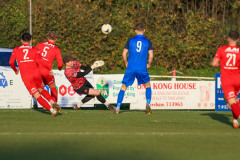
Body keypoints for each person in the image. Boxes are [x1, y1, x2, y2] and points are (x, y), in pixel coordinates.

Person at [9, 33, 61, 116]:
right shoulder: (34, 49)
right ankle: (51, 101)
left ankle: (52, 110)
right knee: (41, 89)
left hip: (26, 75)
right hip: (36, 73)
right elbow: (41, 61)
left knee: (36, 95)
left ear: (21, 40)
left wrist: (15, 70)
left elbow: (11, 62)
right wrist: (49, 69)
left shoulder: (16, 49)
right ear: (30, 41)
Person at [115, 23, 154, 114]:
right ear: (144, 30)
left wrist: (126, 62)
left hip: (131, 67)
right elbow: (151, 55)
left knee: (124, 87)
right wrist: (149, 64)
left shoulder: (130, 40)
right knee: (147, 85)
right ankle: (148, 104)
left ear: (135, 31)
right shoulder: (148, 41)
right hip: (142, 68)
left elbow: (124, 54)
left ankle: (117, 107)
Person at [212, 31, 240, 128]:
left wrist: (223, 64)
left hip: (227, 80)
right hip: (238, 79)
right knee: (235, 101)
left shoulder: (222, 49)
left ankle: (237, 118)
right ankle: (235, 121)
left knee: (231, 102)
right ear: (238, 40)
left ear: (228, 39)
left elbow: (214, 64)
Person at [36, 31, 63, 103]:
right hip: (46, 71)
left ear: (47, 38)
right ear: (56, 39)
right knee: (52, 86)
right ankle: (54, 104)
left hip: (37, 70)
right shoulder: (56, 49)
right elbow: (60, 64)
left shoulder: (40, 44)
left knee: (39, 88)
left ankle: (43, 103)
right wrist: (59, 68)